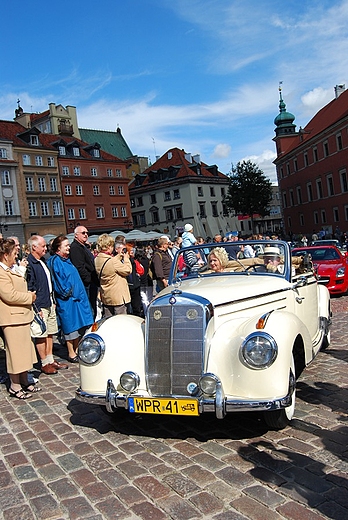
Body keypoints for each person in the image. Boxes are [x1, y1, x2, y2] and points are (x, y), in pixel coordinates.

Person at [0, 238, 39, 399]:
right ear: (5, 254)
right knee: (15, 353)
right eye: (14, 254)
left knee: (25, 351)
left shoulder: (12, 269)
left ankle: (24, 380)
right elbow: (9, 295)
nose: (16, 257)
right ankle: (14, 385)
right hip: (11, 318)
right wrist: (29, 297)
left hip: (22, 316)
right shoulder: (1, 272)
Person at [48, 235, 93, 363]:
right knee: (70, 327)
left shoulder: (66, 260)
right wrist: (69, 293)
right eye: (66, 245)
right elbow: (59, 282)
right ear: (58, 248)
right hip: (68, 301)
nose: (69, 247)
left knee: (79, 327)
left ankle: (77, 349)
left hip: (77, 299)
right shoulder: (55, 261)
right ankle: (71, 352)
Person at [26, 235, 67, 375]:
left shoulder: (43, 261)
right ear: (34, 247)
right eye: (42, 246)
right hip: (40, 303)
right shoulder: (30, 264)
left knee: (50, 333)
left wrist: (53, 301)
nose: (45, 248)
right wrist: (37, 308)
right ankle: (44, 362)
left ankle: (50, 359)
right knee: (41, 334)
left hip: (49, 301)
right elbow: (30, 287)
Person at [95, 236, 132, 317]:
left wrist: (119, 255)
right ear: (108, 246)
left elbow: (110, 262)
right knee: (121, 322)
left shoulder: (97, 259)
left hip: (107, 296)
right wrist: (126, 259)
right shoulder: (113, 261)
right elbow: (128, 270)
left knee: (110, 321)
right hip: (118, 298)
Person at [69, 226, 99, 320]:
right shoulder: (75, 248)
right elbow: (79, 267)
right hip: (86, 284)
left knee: (93, 308)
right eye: (83, 233)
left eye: (87, 233)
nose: (86, 234)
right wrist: (88, 280)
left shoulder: (83, 246)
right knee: (90, 310)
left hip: (91, 282)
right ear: (76, 235)